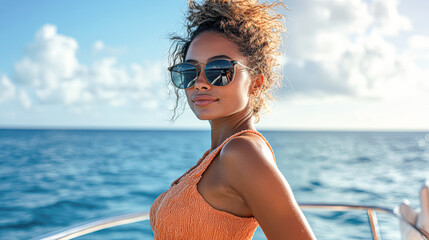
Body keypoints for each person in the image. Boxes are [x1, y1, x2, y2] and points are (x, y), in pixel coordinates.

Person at [150, 0, 316, 239]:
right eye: (189, 71)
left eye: (219, 70)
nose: (200, 82)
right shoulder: (219, 154)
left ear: (256, 83)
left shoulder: (241, 152)